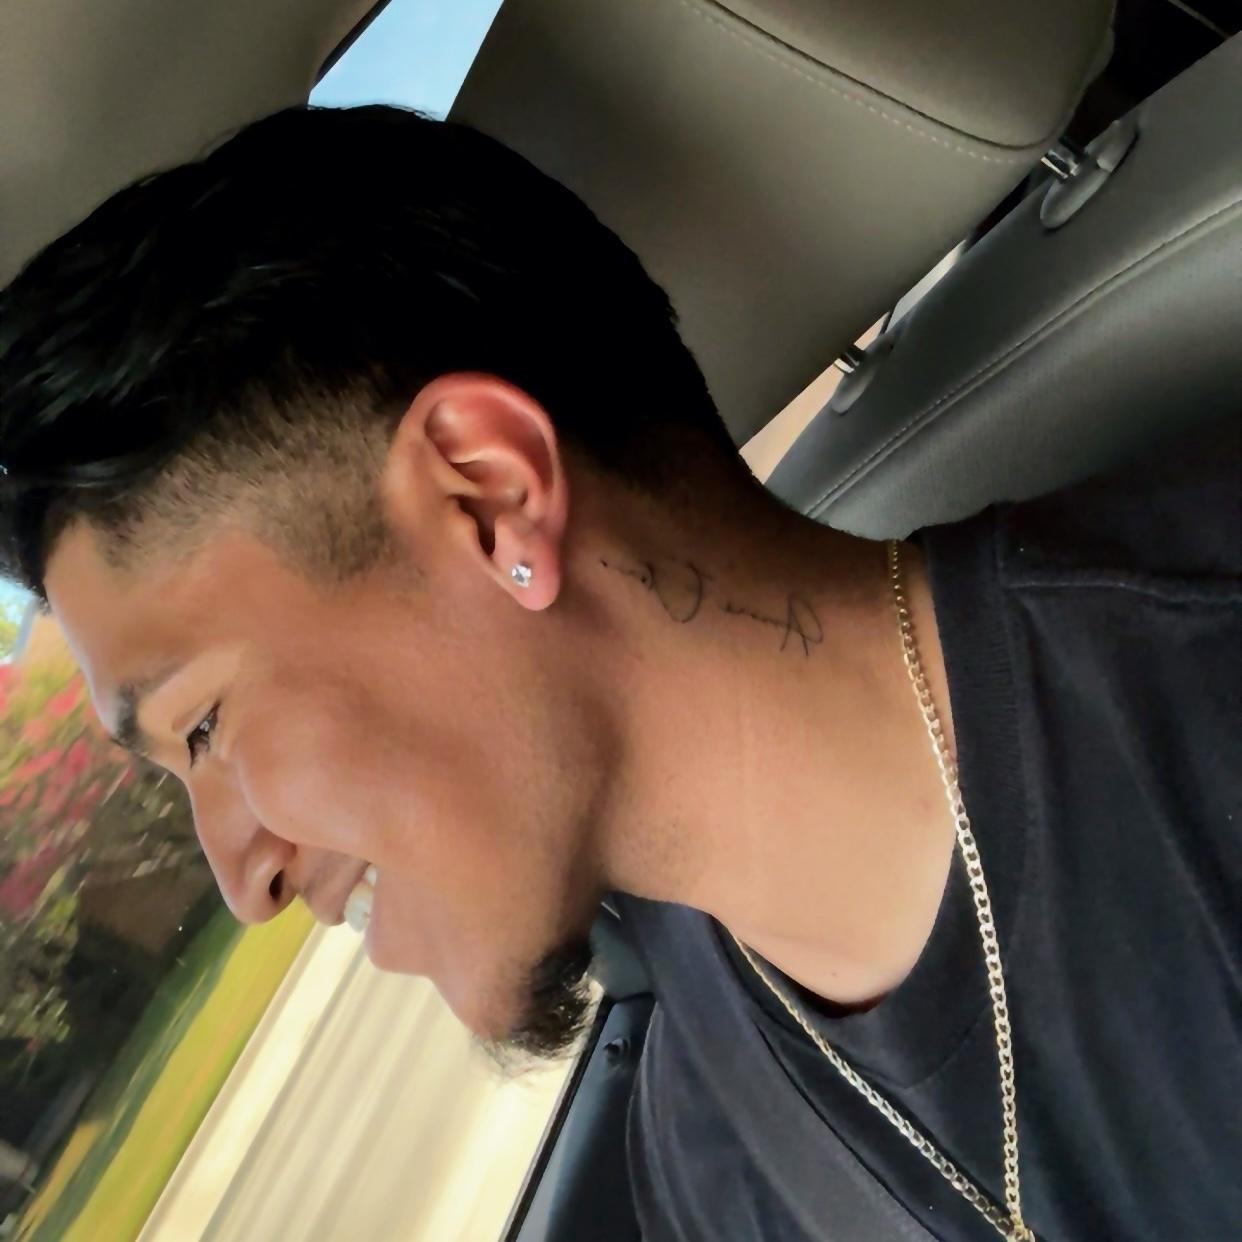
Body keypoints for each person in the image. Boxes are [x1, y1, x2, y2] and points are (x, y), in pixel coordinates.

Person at [0, 105, 1237, 1242]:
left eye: (203, 726)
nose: (243, 884)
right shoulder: (711, 1166)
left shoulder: (1203, 705)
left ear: (489, 499)